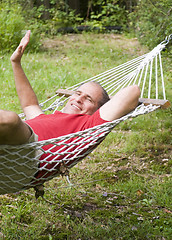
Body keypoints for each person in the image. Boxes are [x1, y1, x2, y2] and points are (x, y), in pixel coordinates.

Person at [0, 31, 140, 187]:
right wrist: (16, 62)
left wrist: (108, 105)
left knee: (10, 119)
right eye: (78, 93)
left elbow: (133, 91)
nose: (79, 99)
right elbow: (29, 105)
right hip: (9, 150)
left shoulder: (89, 126)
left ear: (98, 109)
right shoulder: (44, 118)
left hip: (27, 160)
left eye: (88, 99)